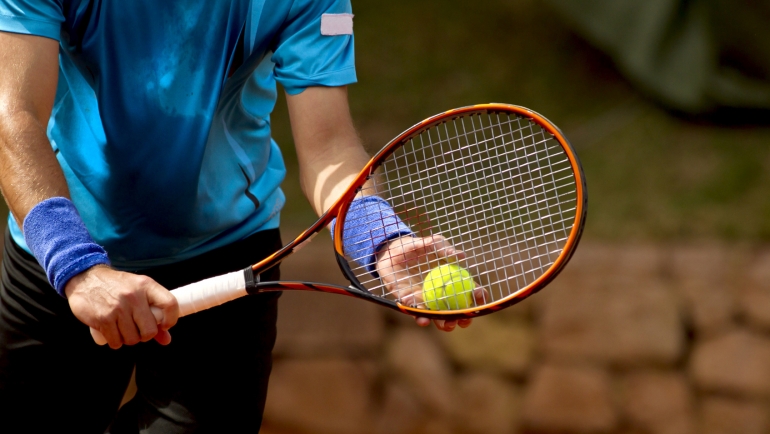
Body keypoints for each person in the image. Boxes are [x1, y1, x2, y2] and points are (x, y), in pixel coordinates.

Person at [0, 1, 471, 432]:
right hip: (58, 256)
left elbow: (329, 147)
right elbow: (13, 117)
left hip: (227, 257)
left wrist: (379, 238)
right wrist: (77, 267)